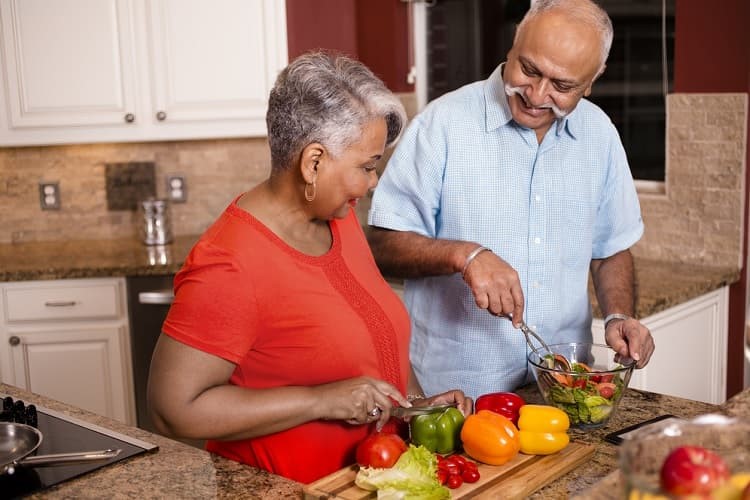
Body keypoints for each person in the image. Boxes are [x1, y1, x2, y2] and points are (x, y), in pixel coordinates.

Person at [147, 51, 471, 484]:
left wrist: (418, 406)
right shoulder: (229, 263)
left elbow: (375, 344)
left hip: (363, 484)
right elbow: (173, 411)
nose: (373, 182)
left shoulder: (338, 218)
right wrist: (319, 401)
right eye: (367, 166)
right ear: (314, 162)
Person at [367, 0, 656, 401]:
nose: (536, 95)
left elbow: (610, 251)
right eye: (530, 70)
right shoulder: (443, 124)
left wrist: (619, 316)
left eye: (562, 86)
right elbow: (380, 245)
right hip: (454, 395)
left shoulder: (600, 135)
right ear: (512, 46)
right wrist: (464, 255)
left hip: (562, 390)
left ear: (591, 82)